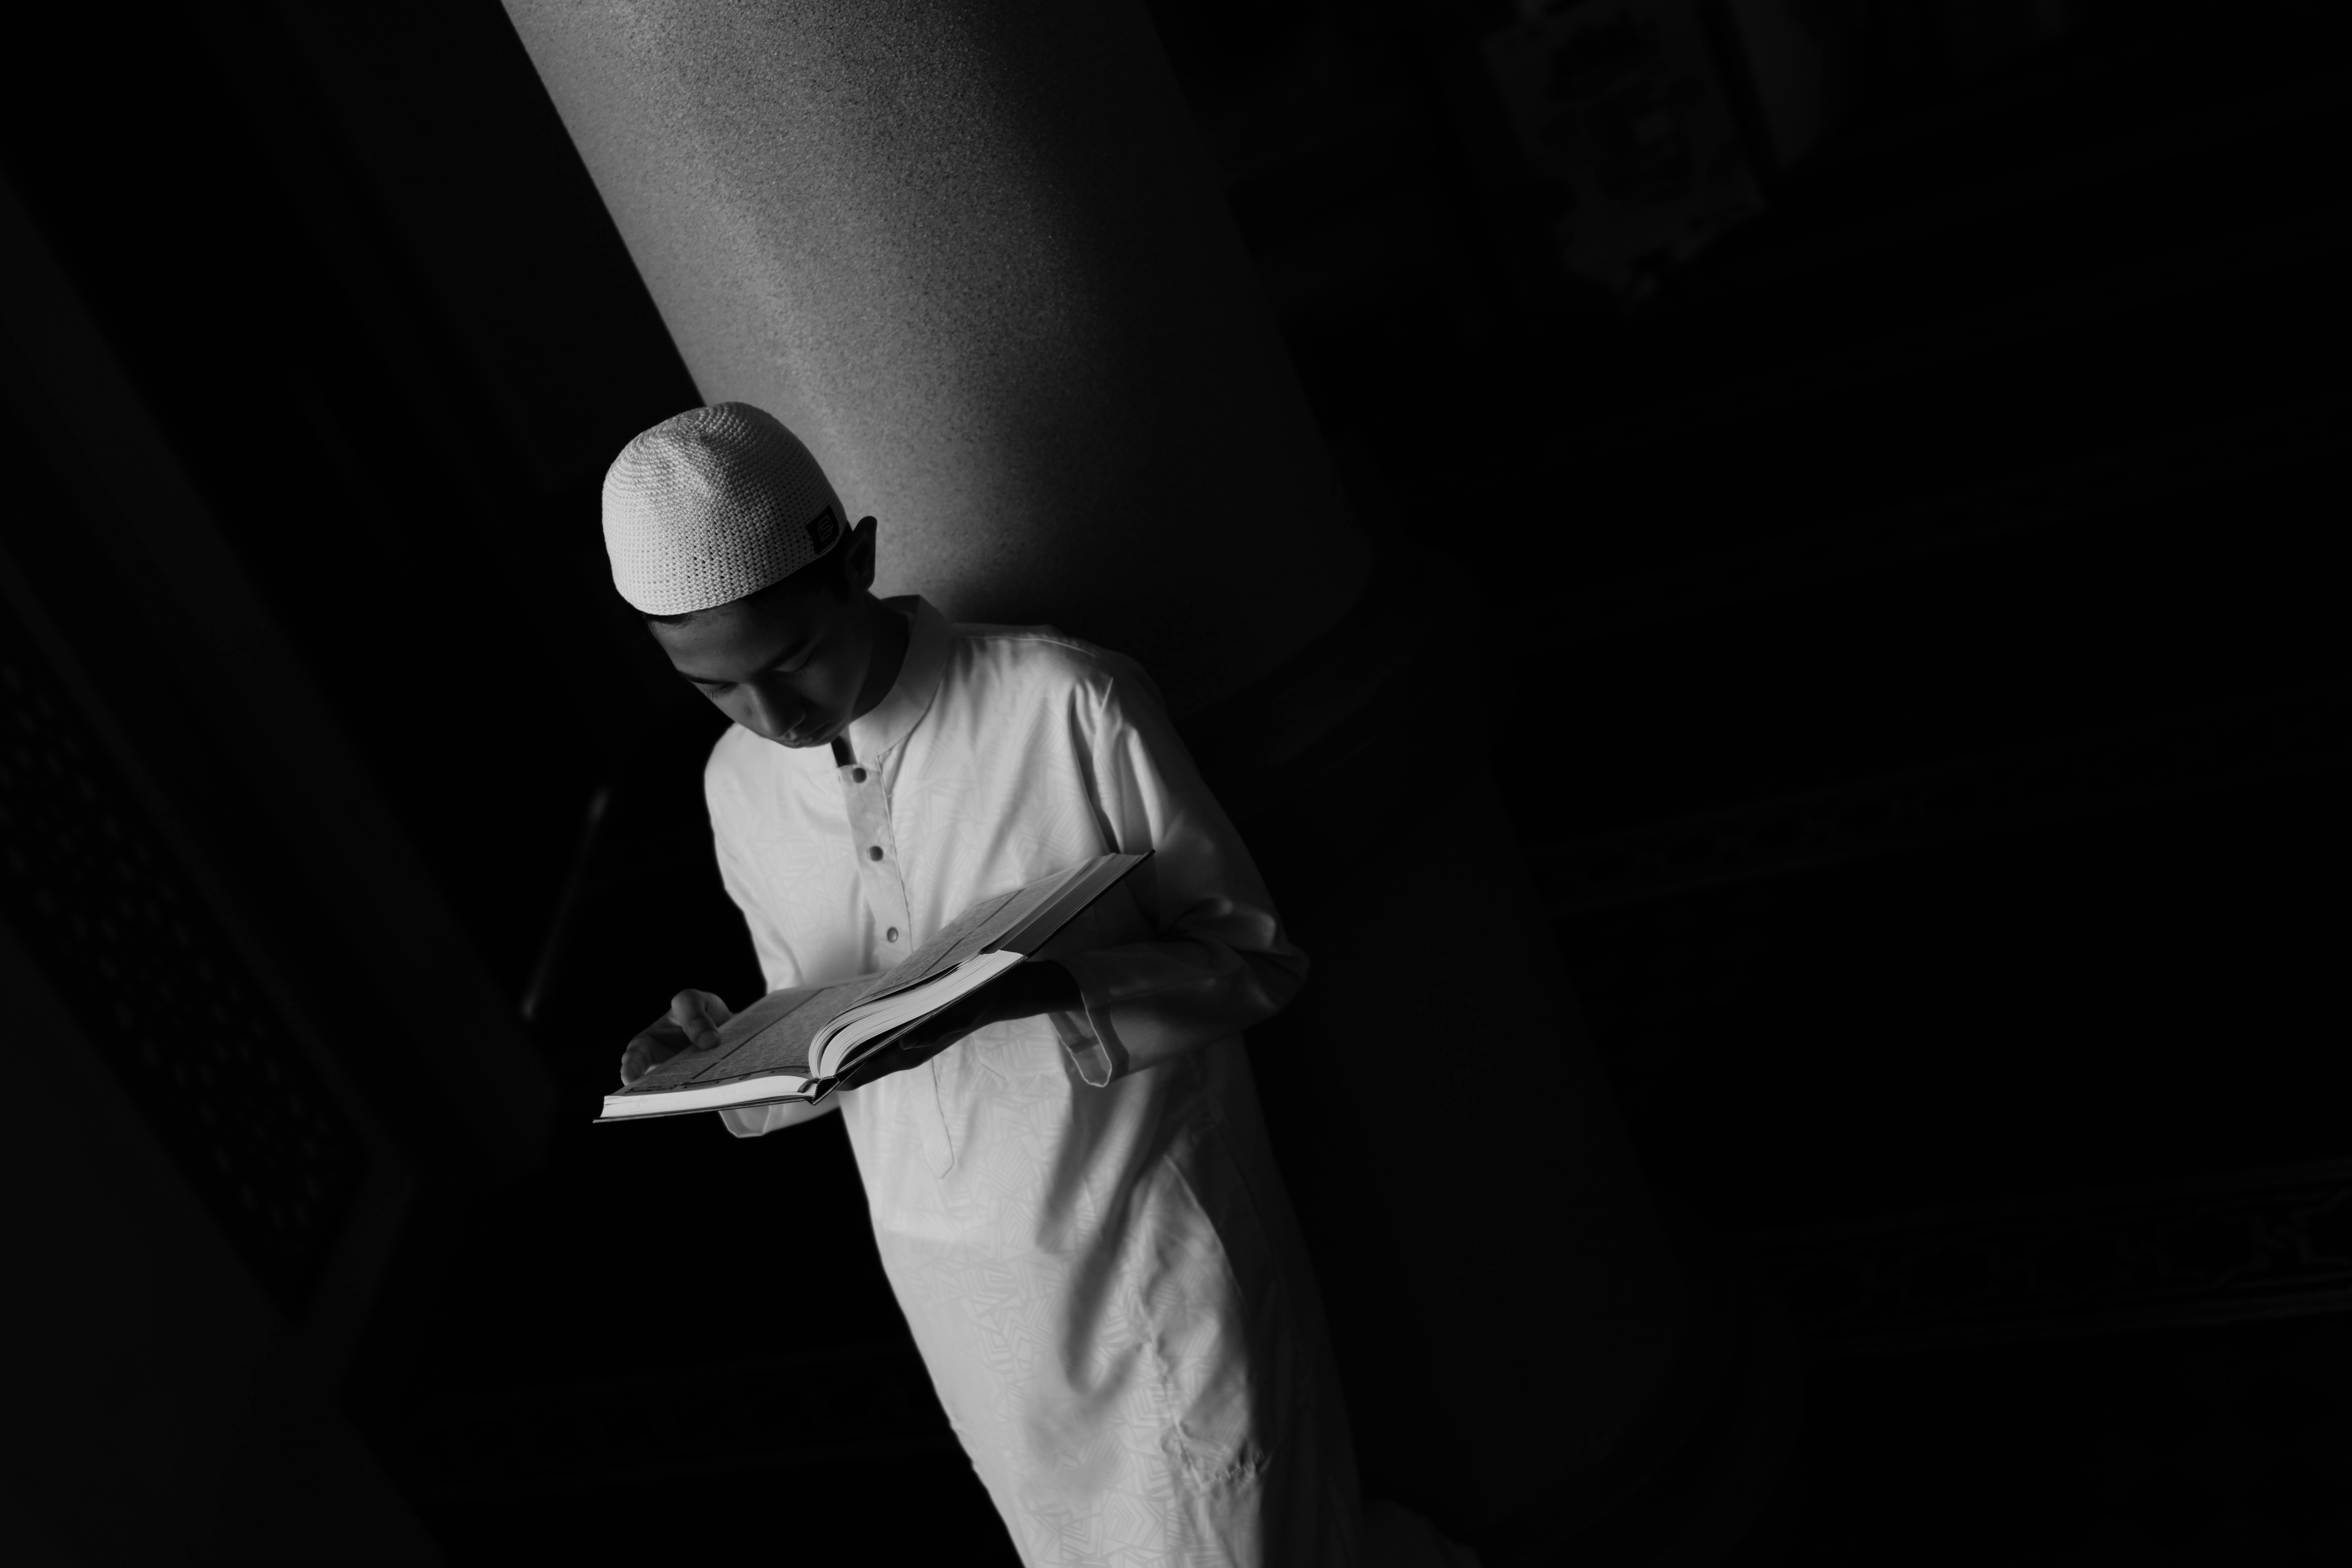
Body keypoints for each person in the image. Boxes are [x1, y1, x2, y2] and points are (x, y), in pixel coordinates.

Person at [607, 402, 1477, 1568]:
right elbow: (822, 1053)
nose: (771, 717)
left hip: (1151, 1257)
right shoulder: (739, 786)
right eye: (714, 689)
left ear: (857, 561)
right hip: (961, 1293)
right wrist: (721, 1054)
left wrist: (1047, 988)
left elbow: (1254, 957)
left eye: (791, 660)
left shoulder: (1064, 699)